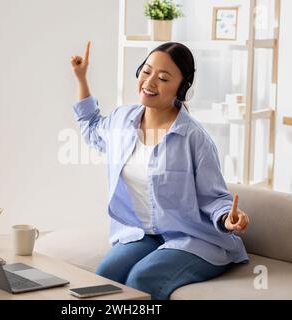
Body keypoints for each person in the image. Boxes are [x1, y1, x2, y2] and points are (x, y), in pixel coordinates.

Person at [70, 41, 250, 300]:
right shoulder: (122, 120)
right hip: (144, 234)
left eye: (163, 77)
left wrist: (228, 219)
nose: (150, 81)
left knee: (141, 279)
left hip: (193, 238)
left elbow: (215, 198)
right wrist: (81, 78)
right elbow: (91, 126)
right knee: (105, 274)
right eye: (146, 71)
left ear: (182, 87)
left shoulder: (194, 138)